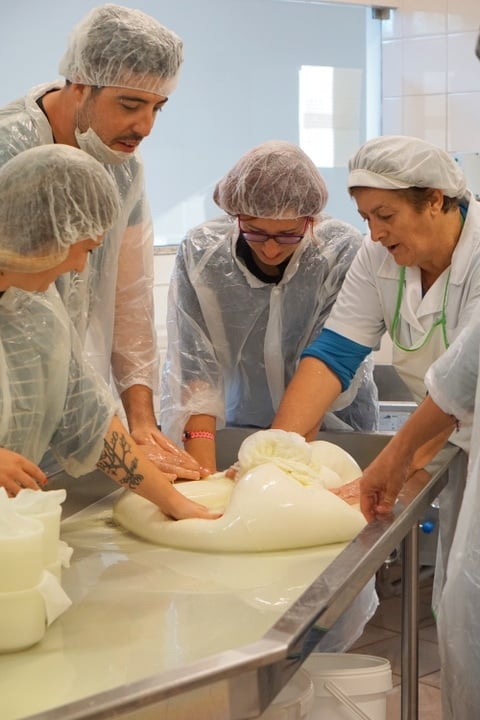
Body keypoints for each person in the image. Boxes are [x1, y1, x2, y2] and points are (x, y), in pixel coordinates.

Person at [0, 3, 197, 478]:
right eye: (130, 104)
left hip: (63, 405)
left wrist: (142, 422)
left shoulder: (122, 166)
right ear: (80, 83)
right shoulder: (9, 151)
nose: (145, 127)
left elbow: (128, 298)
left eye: (158, 108)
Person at [0, 143, 217, 522]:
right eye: (83, 249)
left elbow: (89, 419)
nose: (81, 269)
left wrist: (174, 502)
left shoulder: (37, 312)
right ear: (46, 237)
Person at [160, 140, 379, 473]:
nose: (272, 249)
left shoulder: (340, 252)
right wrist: (203, 474)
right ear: (235, 217)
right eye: (256, 232)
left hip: (334, 434)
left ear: (311, 220)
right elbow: (196, 370)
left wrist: (266, 465)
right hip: (241, 428)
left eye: (288, 234)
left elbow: (328, 369)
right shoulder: (203, 255)